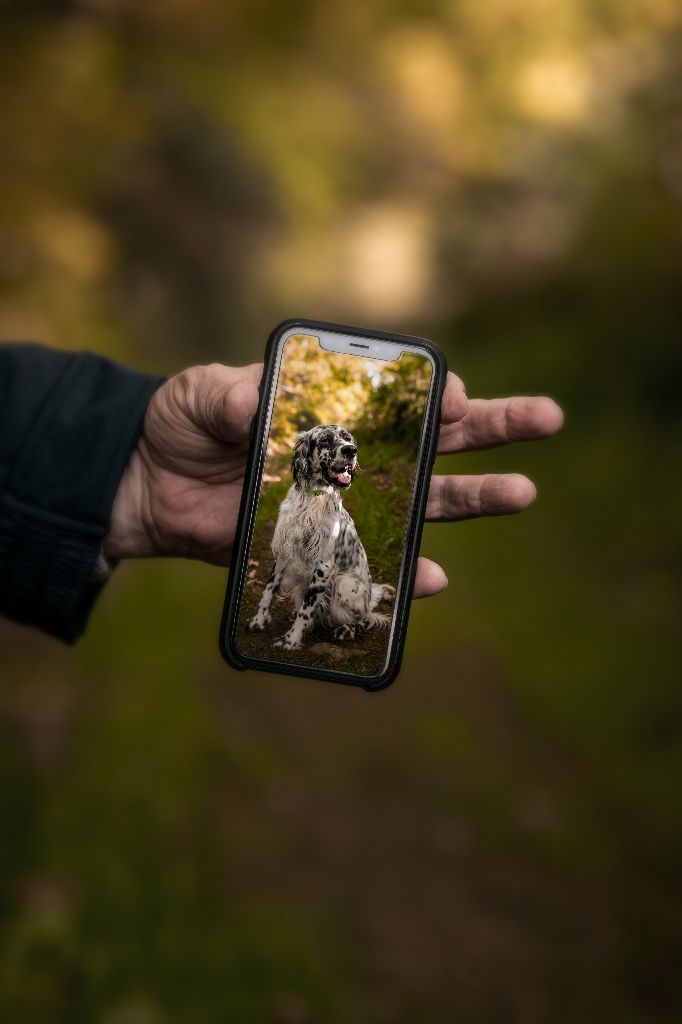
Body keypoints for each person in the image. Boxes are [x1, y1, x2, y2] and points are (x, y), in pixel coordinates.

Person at [0, 342, 563, 643]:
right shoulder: (294, 496)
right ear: (312, 454)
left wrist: (123, 471)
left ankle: (357, 611)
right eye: (335, 447)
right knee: (283, 565)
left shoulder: (334, 506)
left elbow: (322, 564)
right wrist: (129, 475)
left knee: (352, 596)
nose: (346, 455)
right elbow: (279, 561)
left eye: (350, 448)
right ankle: (327, 613)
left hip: (338, 581)